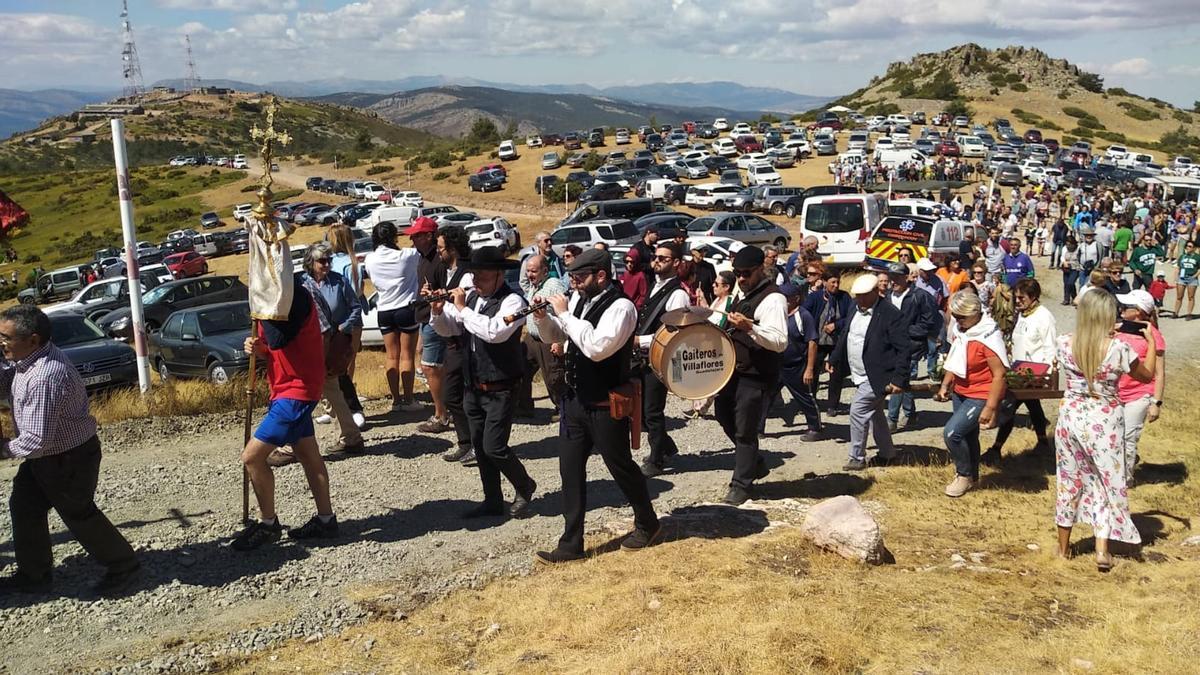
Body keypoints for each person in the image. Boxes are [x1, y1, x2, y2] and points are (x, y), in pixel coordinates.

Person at [529, 248, 661, 563]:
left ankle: (647, 522)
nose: (573, 284)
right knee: (570, 469)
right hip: (575, 401)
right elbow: (560, 336)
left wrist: (563, 314)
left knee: (620, 467)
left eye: (579, 278)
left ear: (600, 276)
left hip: (605, 403)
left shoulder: (622, 307)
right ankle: (571, 543)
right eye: (571, 277)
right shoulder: (579, 301)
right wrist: (544, 319)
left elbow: (597, 347)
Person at [0, 305, 140, 596]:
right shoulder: (27, 360)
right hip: (47, 456)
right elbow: (10, 380)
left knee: (78, 513)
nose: (1, 343)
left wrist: (3, 451)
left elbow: (37, 440)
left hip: (68, 457)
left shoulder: (45, 377)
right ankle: (34, 574)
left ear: (33, 339)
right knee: (25, 506)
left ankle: (123, 565)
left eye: (6, 338)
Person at [430, 247, 537, 520]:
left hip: (501, 385)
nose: (476, 281)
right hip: (474, 384)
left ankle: (525, 485)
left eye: (483, 276)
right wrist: (438, 311)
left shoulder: (514, 301)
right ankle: (492, 499)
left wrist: (462, 308)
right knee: (480, 447)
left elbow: (494, 332)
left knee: (494, 446)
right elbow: (449, 330)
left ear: (499, 275)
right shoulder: (475, 300)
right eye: (473, 275)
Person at [1055, 290, 1156, 571]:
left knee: (1069, 480)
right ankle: (1102, 548)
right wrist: (1151, 343)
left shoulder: (1064, 343)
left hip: (1072, 415)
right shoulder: (1118, 348)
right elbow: (1146, 375)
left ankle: (1063, 548)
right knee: (1105, 481)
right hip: (1105, 418)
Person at [236, 283, 338, 551]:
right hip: (283, 388)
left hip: (297, 391)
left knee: (252, 457)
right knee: (307, 454)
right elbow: (271, 347)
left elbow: (279, 337)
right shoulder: (269, 303)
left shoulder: (296, 298)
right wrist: (255, 347)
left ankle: (268, 524)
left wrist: (260, 312)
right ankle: (326, 520)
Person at [712, 246, 788, 504]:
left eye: (746, 273)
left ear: (760, 270)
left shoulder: (773, 299)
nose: (741, 278)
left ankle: (741, 485)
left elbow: (779, 341)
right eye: (738, 274)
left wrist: (751, 328)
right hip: (736, 370)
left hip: (757, 373)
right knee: (722, 412)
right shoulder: (743, 293)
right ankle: (754, 462)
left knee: (745, 429)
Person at [276, 243, 364, 462]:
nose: (326, 264)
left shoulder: (337, 282)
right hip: (316, 344)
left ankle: (291, 445)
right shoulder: (301, 283)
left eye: (328, 260)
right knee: (332, 392)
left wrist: (344, 329)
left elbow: (350, 310)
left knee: (304, 394)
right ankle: (351, 437)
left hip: (325, 345)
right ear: (310, 262)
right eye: (321, 261)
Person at [829, 274, 910, 471]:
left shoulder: (890, 314)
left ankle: (857, 457)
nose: (860, 299)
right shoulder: (855, 308)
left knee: (858, 411)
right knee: (875, 414)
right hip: (859, 372)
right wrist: (834, 358)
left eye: (864, 295)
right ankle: (888, 453)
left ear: (876, 292)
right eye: (857, 295)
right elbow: (847, 334)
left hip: (879, 375)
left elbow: (904, 349)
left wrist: (899, 379)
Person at [935, 290, 1009, 497]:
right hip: (961, 391)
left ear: (975, 314)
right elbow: (956, 356)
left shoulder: (987, 337)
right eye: (954, 316)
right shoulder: (963, 331)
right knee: (968, 436)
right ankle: (973, 478)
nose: (956, 321)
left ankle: (964, 474)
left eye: (961, 317)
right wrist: (946, 383)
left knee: (952, 433)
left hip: (980, 393)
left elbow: (999, 375)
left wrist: (990, 407)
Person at [984, 278, 1055, 464]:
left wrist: (1046, 375)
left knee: (1008, 407)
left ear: (1034, 297)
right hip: (1018, 371)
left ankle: (996, 449)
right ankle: (1042, 443)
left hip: (1034, 374)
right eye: (1016, 297)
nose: (1018, 301)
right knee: (1032, 406)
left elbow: (1050, 347)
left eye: (1022, 298)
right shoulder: (1023, 315)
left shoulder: (1044, 316)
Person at [636, 242, 690, 477]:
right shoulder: (656, 285)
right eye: (655, 257)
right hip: (643, 357)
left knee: (652, 411)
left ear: (676, 263)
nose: (656, 261)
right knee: (639, 411)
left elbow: (674, 332)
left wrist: (641, 341)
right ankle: (666, 446)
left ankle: (657, 459)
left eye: (663, 259)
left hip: (659, 359)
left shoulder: (677, 294)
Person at [363, 221, 424, 412]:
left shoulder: (370, 259)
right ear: (394, 237)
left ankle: (396, 400)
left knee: (391, 356)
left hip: (384, 310)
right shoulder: (407, 255)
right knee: (407, 356)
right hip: (406, 308)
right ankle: (409, 399)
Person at [432, 225, 476, 466]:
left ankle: (473, 443)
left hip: (463, 342)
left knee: (457, 395)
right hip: (451, 342)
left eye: (441, 248)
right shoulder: (450, 272)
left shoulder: (467, 275)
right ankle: (465, 442)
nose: (439, 253)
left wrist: (446, 304)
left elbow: (464, 312)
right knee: (453, 396)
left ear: (452, 249)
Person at [1113, 290, 1165, 475]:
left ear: (1139, 312)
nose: (1121, 308)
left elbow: (1159, 373)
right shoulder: (1117, 329)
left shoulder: (1153, 335)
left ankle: (1125, 479)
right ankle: (1119, 468)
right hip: (1116, 392)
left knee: (1128, 436)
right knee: (1114, 435)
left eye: (1127, 307)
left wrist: (1156, 403)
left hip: (1139, 394)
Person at [885, 261, 941, 432]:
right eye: (890, 278)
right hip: (891, 346)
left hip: (911, 346)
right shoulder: (887, 297)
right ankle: (911, 414)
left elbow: (930, 322)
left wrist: (905, 331)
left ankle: (891, 419)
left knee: (899, 378)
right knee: (903, 381)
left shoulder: (920, 296)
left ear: (906, 277)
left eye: (896, 278)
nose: (892, 281)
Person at [517, 254, 567, 422]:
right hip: (532, 338)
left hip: (548, 339)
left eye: (533, 271)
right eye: (528, 271)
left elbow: (563, 314)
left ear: (545, 271)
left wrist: (559, 341)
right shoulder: (535, 285)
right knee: (521, 369)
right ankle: (524, 407)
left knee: (554, 377)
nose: (530, 274)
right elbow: (522, 283)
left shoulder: (554, 286)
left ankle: (564, 409)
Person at [326, 225, 366, 429]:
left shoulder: (340, 263)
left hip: (340, 321)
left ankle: (340, 406)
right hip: (345, 321)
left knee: (338, 364)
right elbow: (358, 292)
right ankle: (340, 406)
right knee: (344, 364)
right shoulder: (351, 263)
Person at [773, 282, 823, 441]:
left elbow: (812, 342)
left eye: (786, 298)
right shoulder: (777, 314)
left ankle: (815, 428)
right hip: (778, 364)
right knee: (766, 396)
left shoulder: (803, 316)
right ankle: (758, 429)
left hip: (797, 366)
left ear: (796, 298)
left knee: (805, 397)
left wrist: (809, 368)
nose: (783, 301)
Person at [802, 267, 853, 416]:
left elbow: (850, 317)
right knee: (814, 370)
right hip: (818, 341)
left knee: (836, 373)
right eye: (832, 282)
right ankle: (811, 401)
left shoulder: (844, 297)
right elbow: (805, 314)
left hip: (836, 341)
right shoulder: (815, 297)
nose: (836, 285)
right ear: (824, 282)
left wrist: (836, 325)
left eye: (838, 282)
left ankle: (833, 405)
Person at [693, 269, 736, 417]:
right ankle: (699, 407)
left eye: (717, 284)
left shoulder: (729, 302)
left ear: (726, 287)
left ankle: (701, 408)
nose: (713, 285)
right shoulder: (717, 300)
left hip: (718, 345)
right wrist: (703, 300)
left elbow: (722, 324)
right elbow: (710, 314)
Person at [1171, 239, 1199, 319]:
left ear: (1194, 248)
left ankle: (1189, 314)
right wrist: (1175, 277)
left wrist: (1195, 276)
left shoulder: (1197, 257)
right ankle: (1176, 313)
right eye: (1187, 246)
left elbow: (1199, 269)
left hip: (1192, 278)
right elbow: (1178, 267)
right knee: (1179, 296)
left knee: (1191, 297)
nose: (1188, 248)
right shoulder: (1182, 256)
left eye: (1190, 246)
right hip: (1182, 278)